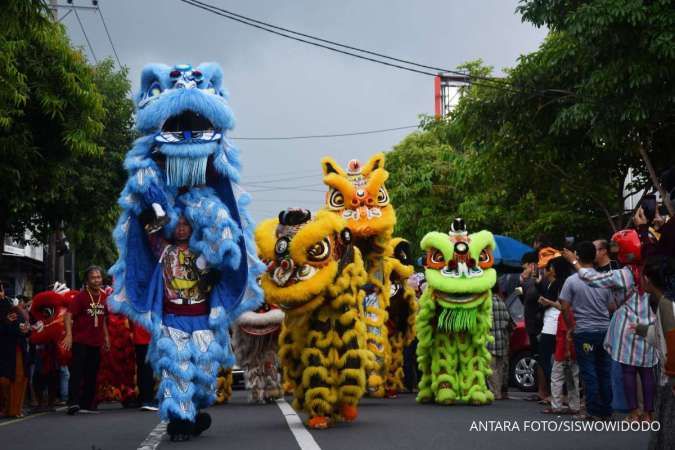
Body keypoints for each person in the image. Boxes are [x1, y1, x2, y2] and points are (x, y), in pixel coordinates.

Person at [566, 230, 660, 423]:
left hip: (628, 328)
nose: (616, 253)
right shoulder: (651, 269)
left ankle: (634, 414)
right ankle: (649, 415)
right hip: (651, 325)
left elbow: (591, 279)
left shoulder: (623, 274)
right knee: (647, 372)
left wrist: (574, 262)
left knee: (628, 372)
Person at [559, 241, 614, 420]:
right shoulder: (604, 279)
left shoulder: (572, 281)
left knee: (589, 372)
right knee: (604, 371)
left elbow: (565, 306)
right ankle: (606, 410)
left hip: (584, 332)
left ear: (578, 256)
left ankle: (592, 411)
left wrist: (571, 327)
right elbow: (612, 306)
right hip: (605, 331)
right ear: (595, 256)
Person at [63, 266, 110, 415]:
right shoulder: (81, 297)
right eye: (93, 278)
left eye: (98, 277)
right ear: (87, 281)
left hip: (96, 342)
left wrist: (107, 337)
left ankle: (87, 403)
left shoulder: (104, 297)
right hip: (80, 341)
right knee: (77, 372)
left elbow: (103, 320)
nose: (97, 280)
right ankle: (73, 403)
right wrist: (69, 335)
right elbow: (68, 315)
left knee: (92, 373)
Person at [641, 254, 675, 450]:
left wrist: (672, 376)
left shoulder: (664, 304)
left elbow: (671, 339)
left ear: (648, 279)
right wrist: (641, 329)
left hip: (670, 378)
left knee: (668, 431)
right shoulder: (667, 301)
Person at [537, 256, 570, 398]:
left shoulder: (560, 283)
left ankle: (557, 394)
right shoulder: (559, 283)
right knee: (554, 360)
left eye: (552, 267)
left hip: (553, 324)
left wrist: (547, 302)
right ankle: (558, 394)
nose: (550, 270)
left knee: (547, 359)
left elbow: (562, 306)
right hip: (553, 323)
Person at [519, 251, 548, 402]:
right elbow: (522, 298)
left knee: (542, 358)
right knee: (536, 357)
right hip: (531, 324)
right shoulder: (527, 281)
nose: (523, 270)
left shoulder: (541, 280)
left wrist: (530, 281)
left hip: (539, 324)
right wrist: (521, 281)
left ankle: (544, 392)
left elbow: (538, 297)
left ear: (532, 265)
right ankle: (540, 391)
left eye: (525, 267)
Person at [0, 283, 30, 418]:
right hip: (5, 350)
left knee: (17, 379)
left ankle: (13, 409)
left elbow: (21, 326)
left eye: (0, 289)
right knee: (4, 381)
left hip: (15, 349)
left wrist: (25, 330)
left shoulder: (9, 306)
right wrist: (5, 323)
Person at [545, 309, 580, 414]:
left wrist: (567, 350)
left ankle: (556, 405)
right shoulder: (576, 311)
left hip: (563, 350)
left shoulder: (566, 313)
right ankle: (575, 406)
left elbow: (567, 333)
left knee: (556, 378)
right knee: (573, 379)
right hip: (574, 350)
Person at [487, 286, 514, 400]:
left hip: (491, 341)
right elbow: (508, 322)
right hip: (501, 340)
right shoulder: (502, 303)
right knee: (500, 368)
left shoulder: (487, 304)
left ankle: (495, 392)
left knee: (491, 369)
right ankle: (501, 391)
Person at [129, 321, 157, 411]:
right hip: (148, 337)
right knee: (147, 369)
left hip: (139, 337)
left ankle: (142, 397)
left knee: (141, 368)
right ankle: (148, 399)